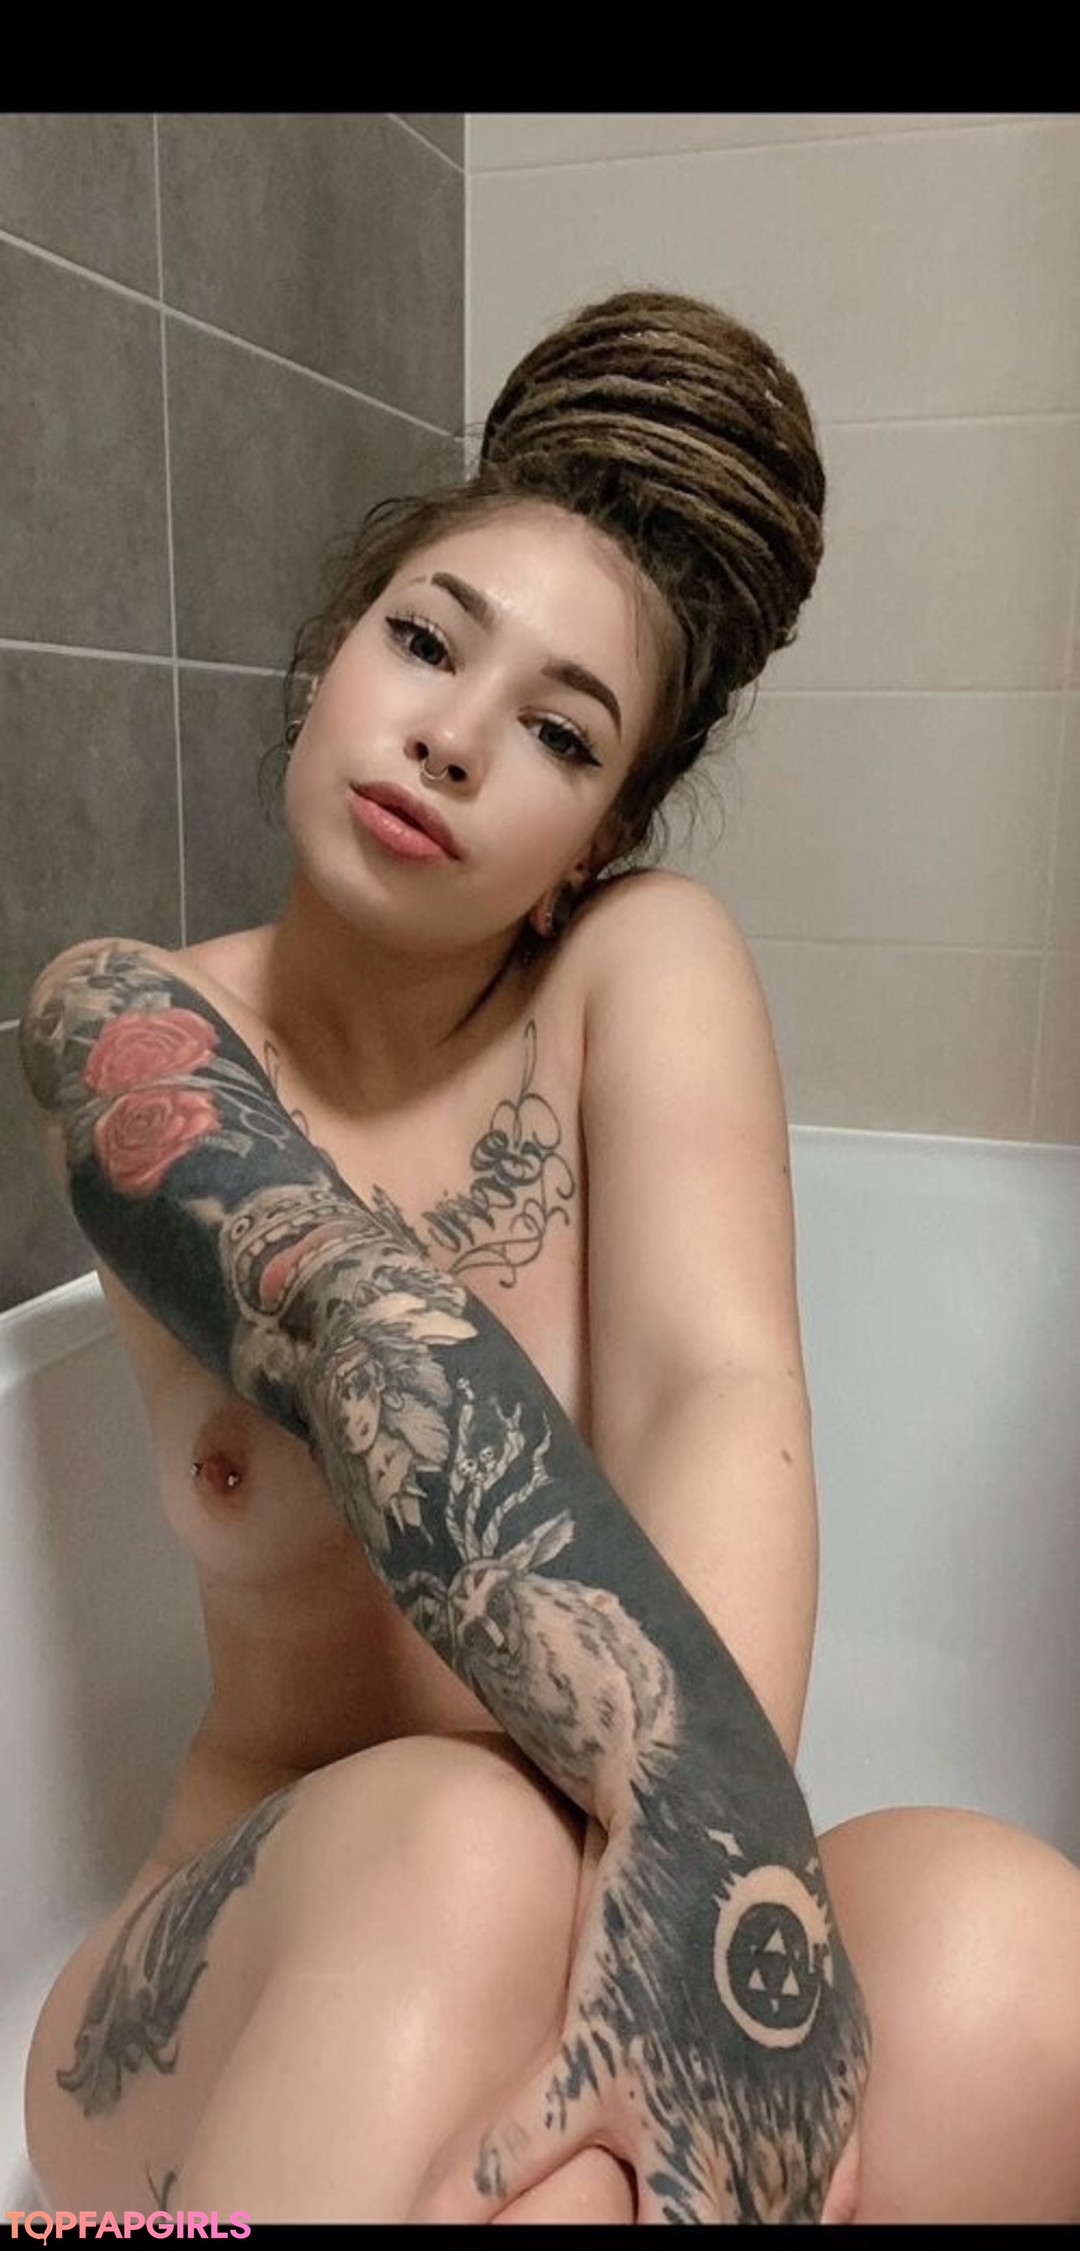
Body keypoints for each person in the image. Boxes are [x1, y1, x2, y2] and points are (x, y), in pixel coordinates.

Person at [17, 288, 1080, 2227]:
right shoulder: (126, 1023)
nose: (450, 738)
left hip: (606, 1882)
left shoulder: (636, 972)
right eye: (426, 641)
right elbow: (357, 1327)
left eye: (561, 733)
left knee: (1021, 1967)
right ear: (334, 655)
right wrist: (689, 1886)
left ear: (598, 837)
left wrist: (692, 1949)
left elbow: (714, 1397)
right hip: (234, 1989)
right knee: (466, 1842)